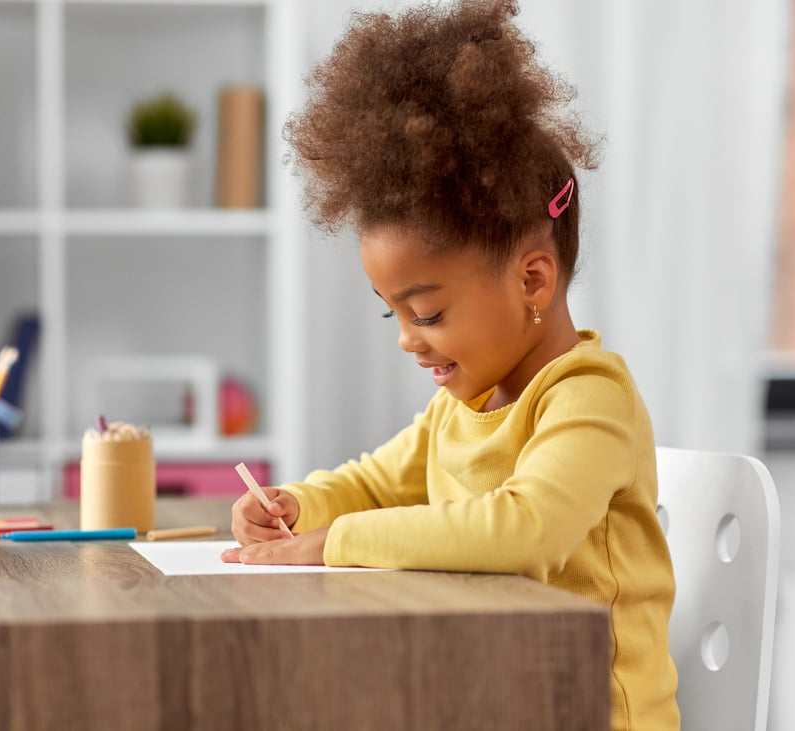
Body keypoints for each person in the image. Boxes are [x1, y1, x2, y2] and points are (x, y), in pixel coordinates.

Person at [222, 1, 679, 727]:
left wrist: (334, 544)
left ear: (532, 280)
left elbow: (528, 529)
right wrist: (299, 505)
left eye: (428, 313)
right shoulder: (463, 408)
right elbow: (373, 485)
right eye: (392, 312)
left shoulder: (589, 399)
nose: (408, 339)